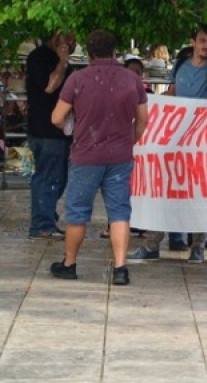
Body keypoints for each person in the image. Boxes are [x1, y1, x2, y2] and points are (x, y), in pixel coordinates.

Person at [128, 24, 207, 263]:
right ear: (194, 42)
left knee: (200, 191)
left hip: (201, 142)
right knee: (167, 189)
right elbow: (174, 94)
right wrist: (150, 105)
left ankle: (197, 246)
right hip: (177, 139)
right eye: (203, 41)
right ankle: (153, 243)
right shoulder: (180, 66)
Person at [49, 30, 149, 284]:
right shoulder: (132, 79)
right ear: (114, 50)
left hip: (85, 156)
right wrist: (131, 140)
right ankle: (120, 268)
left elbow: (57, 117)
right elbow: (143, 118)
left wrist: (71, 127)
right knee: (119, 212)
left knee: (77, 212)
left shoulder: (77, 79)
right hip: (120, 156)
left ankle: (69, 264)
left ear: (90, 52)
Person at [26, 31, 76, 239]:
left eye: (73, 40)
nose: (70, 43)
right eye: (66, 38)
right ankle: (42, 224)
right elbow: (50, 86)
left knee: (60, 178)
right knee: (48, 178)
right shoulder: (40, 58)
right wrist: (63, 62)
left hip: (61, 131)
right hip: (45, 131)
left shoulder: (61, 61)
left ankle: (46, 215)